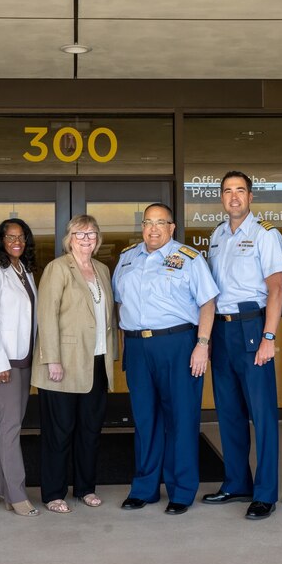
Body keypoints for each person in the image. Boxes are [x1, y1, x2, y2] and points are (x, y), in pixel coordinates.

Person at [113, 203, 218, 515]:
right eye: (148, 222)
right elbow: (119, 303)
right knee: (145, 419)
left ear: (172, 227)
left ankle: (181, 490)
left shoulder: (189, 258)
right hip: (138, 347)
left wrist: (202, 344)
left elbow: (208, 303)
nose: (153, 228)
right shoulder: (127, 257)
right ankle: (145, 488)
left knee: (181, 419)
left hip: (178, 343)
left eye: (161, 223)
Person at [204, 171, 282, 520]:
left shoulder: (265, 234)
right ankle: (237, 482)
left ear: (251, 197)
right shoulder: (217, 235)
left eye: (240, 191)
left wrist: (269, 337)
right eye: (227, 191)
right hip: (222, 330)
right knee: (229, 412)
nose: (233, 197)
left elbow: (277, 289)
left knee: (262, 414)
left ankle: (265, 492)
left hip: (252, 326)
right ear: (221, 198)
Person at [33, 215, 116, 514]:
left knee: (90, 431)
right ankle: (54, 493)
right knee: (60, 431)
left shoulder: (103, 269)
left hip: (96, 361)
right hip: (64, 363)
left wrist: (112, 356)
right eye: (80, 233)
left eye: (92, 233)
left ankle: (85, 488)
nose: (86, 239)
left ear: (98, 238)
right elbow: (47, 315)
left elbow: (108, 319)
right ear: (69, 238)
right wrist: (52, 358)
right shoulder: (58, 268)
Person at [0, 219, 39, 517]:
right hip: (3, 362)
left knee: (9, 425)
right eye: (10, 236)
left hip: (23, 358)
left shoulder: (24, 270)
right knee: (11, 426)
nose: (17, 241)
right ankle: (16, 494)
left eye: (21, 236)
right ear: (0, 240)